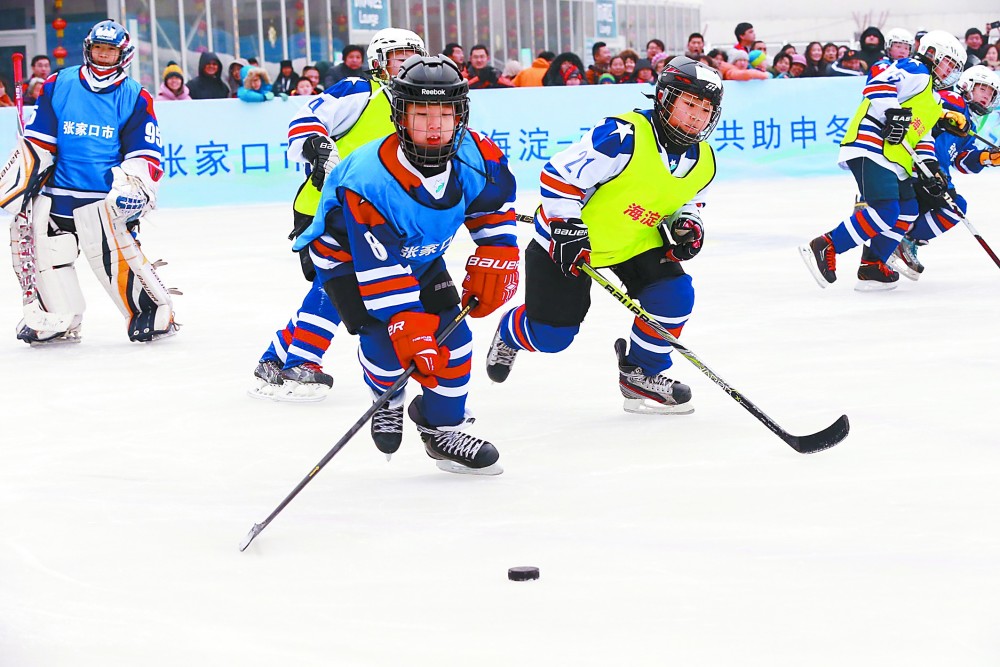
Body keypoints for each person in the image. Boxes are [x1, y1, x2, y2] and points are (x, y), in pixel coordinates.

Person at [291, 54, 518, 474]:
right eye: (422, 113)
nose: (435, 125)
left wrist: (498, 252)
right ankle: (389, 398)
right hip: (347, 261)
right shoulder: (368, 178)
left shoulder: (477, 153)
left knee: (455, 340)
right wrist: (405, 323)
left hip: (422, 254)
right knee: (386, 345)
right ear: (400, 114)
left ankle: (443, 429)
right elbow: (378, 270)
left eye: (445, 113)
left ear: (460, 114)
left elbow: (491, 208)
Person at [485, 56, 723, 416]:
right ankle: (511, 331)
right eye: (689, 104)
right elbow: (556, 176)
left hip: (634, 241)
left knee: (675, 294)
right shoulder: (621, 135)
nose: (697, 117)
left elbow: (687, 199)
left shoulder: (704, 159)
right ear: (665, 99)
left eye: (706, 109)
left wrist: (687, 224)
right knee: (552, 337)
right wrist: (566, 225)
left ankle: (641, 372)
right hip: (567, 244)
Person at [250, 28, 427, 401]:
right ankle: (303, 362)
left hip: (374, 218)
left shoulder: (420, 107)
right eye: (399, 57)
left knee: (341, 287)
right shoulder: (359, 90)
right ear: (380, 63)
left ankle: (275, 358)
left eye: (414, 56)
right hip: (325, 208)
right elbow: (305, 120)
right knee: (340, 284)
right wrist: (318, 149)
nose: (408, 64)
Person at [0, 19, 175, 344]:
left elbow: (145, 153)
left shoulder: (135, 96)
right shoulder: (59, 83)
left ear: (122, 54)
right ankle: (55, 317)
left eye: (110, 50)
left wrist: (135, 187)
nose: (103, 55)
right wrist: (22, 172)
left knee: (116, 260)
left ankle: (152, 312)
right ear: (88, 49)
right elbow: (41, 139)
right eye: (98, 48)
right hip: (58, 194)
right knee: (48, 255)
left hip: (103, 198)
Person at [799, 30, 967, 291]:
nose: (951, 71)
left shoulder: (934, 100)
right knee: (886, 210)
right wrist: (893, 113)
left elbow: (921, 139)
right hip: (870, 147)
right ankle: (826, 245)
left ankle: (872, 265)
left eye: (955, 67)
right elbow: (877, 85)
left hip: (895, 159)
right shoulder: (916, 69)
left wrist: (931, 169)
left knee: (909, 209)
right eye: (949, 63)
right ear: (932, 54)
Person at [889, 66, 1000, 279]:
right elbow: (931, 107)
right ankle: (901, 239)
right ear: (967, 85)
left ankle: (903, 240)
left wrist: (986, 158)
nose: (987, 96)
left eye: (991, 93)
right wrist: (945, 115)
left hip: (935, 176)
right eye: (983, 89)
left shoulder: (971, 124)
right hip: (919, 168)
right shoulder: (954, 100)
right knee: (953, 207)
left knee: (952, 207)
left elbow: (961, 161)